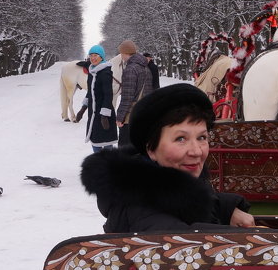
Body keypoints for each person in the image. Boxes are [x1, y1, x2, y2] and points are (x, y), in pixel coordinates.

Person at [80, 83, 256, 233]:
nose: (196, 151)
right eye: (181, 139)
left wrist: (228, 209)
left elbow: (188, 202)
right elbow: (183, 241)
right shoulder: (137, 207)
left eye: (202, 137)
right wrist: (246, 238)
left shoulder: (166, 180)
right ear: (151, 149)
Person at [116, 40, 153, 147]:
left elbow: (127, 97)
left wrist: (120, 117)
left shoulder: (130, 69)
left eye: (121, 53)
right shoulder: (146, 68)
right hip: (143, 115)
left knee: (125, 150)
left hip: (130, 117)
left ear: (124, 52)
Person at [81, 45, 118, 152]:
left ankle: (108, 165)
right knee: (95, 141)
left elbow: (108, 95)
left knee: (106, 143)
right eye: (91, 55)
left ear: (101, 57)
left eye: (95, 55)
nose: (93, 58)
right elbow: (90, 92)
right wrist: (83, 108)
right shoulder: (92, 72)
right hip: (93, 113)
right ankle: (99, 164)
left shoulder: (105, 73)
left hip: (103, 114)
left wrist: (104, 115)